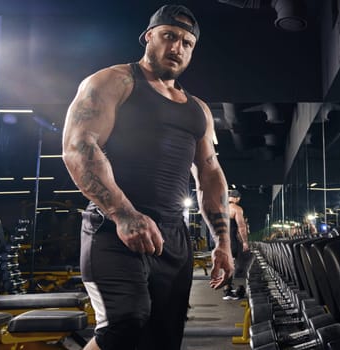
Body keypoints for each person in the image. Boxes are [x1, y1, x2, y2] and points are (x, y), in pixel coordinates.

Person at [61, 4, 234, 350]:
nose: (177, 47)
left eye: (187, 43)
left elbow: (211, 173)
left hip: (174, 240)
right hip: (113, 232)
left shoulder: (197, 109)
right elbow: (79, 146)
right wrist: (124, 215)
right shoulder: (114, 81)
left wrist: (223, 243)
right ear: (148, 37)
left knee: (164, 337)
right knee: (124, 325)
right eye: (169, 36)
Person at [222, 189, 250, 300]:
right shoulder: (236, 209)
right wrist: (245, 242)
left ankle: (227, 289)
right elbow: (241, 227)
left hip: (220, 241)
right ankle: (240, 288)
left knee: (226, 265)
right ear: (237, 198)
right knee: (240, 263)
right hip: (232, 241)